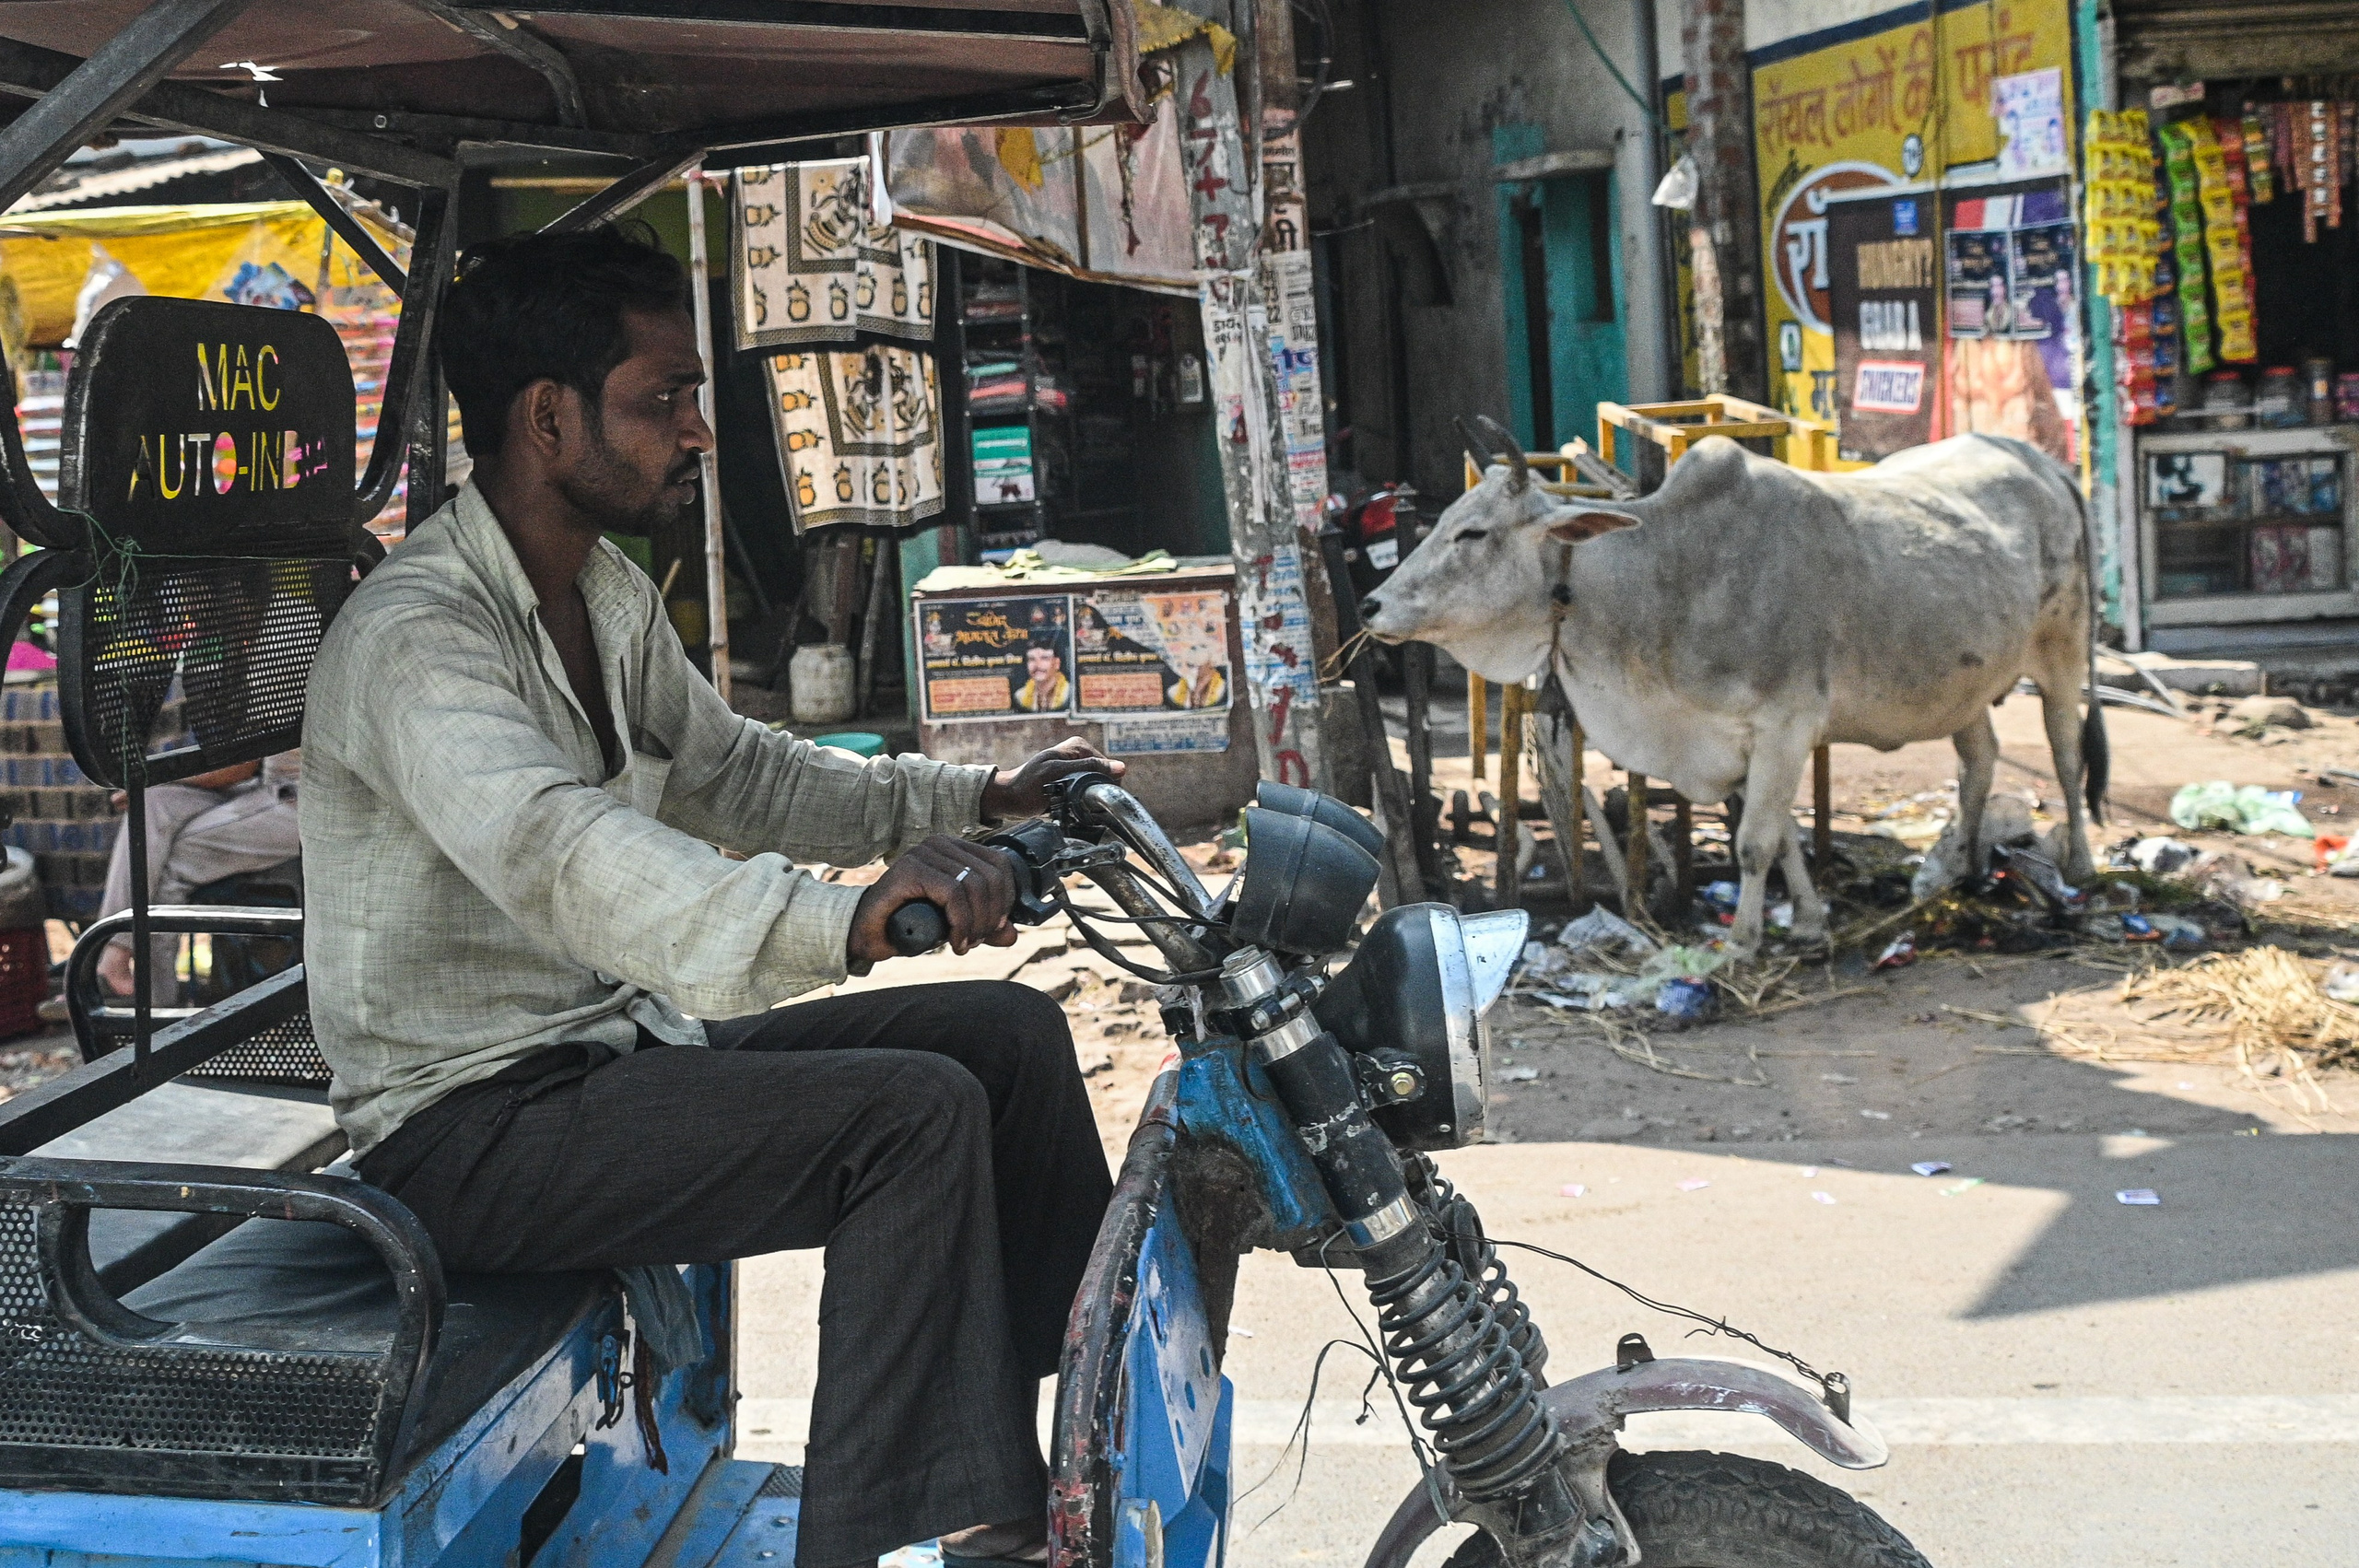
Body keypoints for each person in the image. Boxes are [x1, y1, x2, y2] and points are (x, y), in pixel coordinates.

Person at [299, 224, 1121, 1568]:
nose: (694, 429)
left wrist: (976, 800)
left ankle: (1023, 1493)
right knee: (907, 1117)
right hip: (464, 1131)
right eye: (662, 397)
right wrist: (836, 919)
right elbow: (559, 847)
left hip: (598, 1063)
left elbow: (739, 775)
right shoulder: (418, 637)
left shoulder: (602, 594)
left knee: (1007, 1040)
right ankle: (857, 1540)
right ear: (549, 418)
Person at [91, 754, 300, 1002]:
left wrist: (154, 777)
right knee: (150, 802)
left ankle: (157, 1008)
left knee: (169, 863)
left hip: (299, 797)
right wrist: (150, 785)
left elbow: (240, 766)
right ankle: (109, 953)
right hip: (259, 786)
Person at [1012, 637, 1069, 712]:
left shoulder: (1069, 693)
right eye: (1032, 659)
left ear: (1057, 663)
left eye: (1044, 658)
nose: (1037, 665)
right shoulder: (1020, 696)